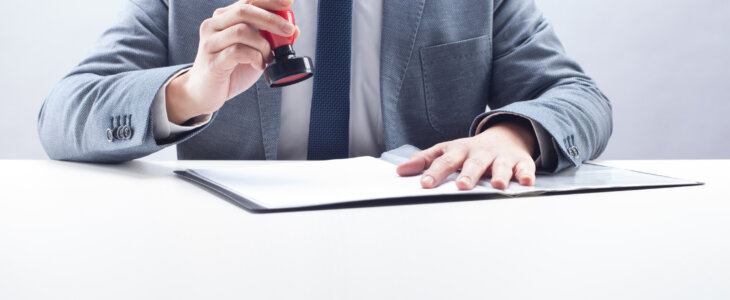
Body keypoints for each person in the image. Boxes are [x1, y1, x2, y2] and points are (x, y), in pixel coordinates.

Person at [37, 0, 612, 191]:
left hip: (430, 250)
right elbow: (64, 115)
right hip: (233, 260)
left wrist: (512, 134)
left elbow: (579, 98)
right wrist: (189, 90)